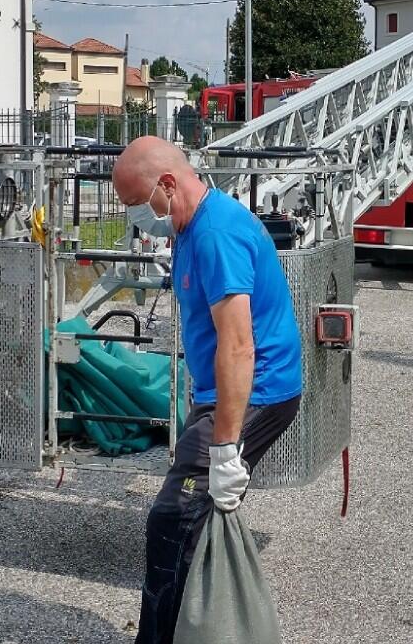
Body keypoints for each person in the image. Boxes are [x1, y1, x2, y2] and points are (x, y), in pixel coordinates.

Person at [111, 136, 303, 644]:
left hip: (256, 389)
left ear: (168, 185)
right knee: (184, 522)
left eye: (136, 204)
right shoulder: (189, 224)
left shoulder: (215, 233)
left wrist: (222, 450)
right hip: (225, 391)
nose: (135, 218)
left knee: (175, 521)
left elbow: (238, 346)